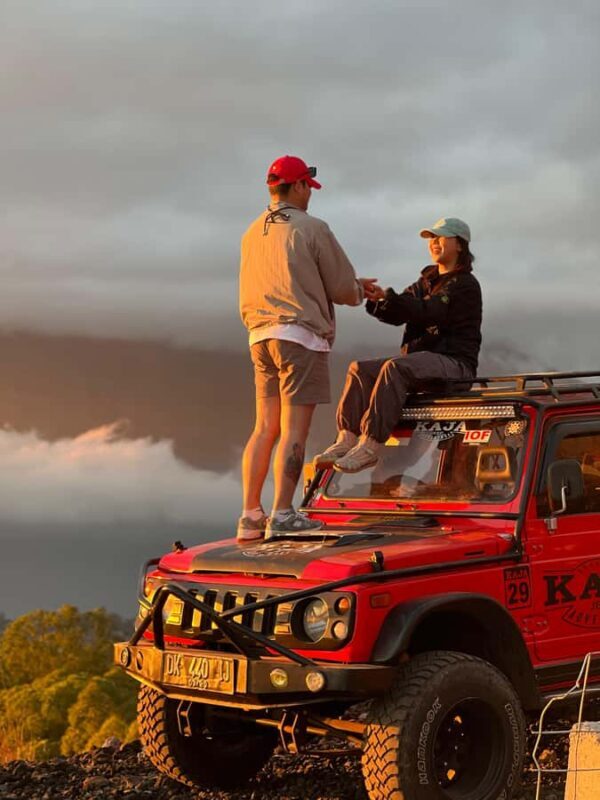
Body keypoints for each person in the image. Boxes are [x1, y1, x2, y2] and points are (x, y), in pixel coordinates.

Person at [238, 155, 378, 540]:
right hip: (299, 337)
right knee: (293, 431)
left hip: (260, 336)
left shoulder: (252, 231)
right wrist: (357, 289)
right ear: (298, 186)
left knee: (264, 427)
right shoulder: (311, 228)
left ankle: (251, 516)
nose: (310, 196)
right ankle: (283, 513)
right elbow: (341, 287)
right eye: (308, 189)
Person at [314, 217, 482, 473]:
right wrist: (379, 300)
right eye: (431, 239)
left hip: (454, 364)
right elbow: (399, 311)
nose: (434, 243)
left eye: (440, 237)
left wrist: (392, 299)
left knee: (396, 367)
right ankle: (347, 438)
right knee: (359, 369)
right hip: (422, 363)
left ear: (459, 244)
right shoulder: (426, 280)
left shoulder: (466, 285)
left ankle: (370, 446)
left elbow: (429, 310)